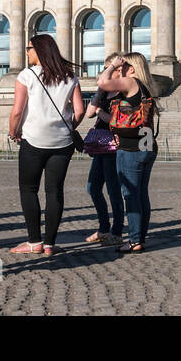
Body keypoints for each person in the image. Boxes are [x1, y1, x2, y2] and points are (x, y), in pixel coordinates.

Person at [8, 33, 84, 256]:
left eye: (29, 48)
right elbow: (79, 111)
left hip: (33, 140)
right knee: (54, 191)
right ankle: (50, 244)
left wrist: (14, 131)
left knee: (29, 189)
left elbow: (17, 111)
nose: (27, 52)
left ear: (40, 51)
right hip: (62, 142)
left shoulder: (27, 75)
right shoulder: (70, 76)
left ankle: (34, 241)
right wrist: (69, 125)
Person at [102, 52, 158, 254]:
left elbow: (103, 83)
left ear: (132, 69)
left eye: (122, 66)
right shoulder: (143, 87)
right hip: (146, 145)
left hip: (131, 148)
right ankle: (139, 237)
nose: (119, 70)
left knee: (131, 195)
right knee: (141, 194)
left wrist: (111, 66)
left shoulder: (131, 82)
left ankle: (135, 240)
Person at [80, 52, 124, 245]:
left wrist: (100, 111)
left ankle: (116, 231)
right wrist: (99, 94)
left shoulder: (124, 92)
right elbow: (89, 113)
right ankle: (103, 227)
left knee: (114, 190)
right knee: (93, 187)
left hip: (113, 146)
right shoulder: (105, 92)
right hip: (100, 146)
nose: (106, 72)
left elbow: (115, 122)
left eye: (110, 69)